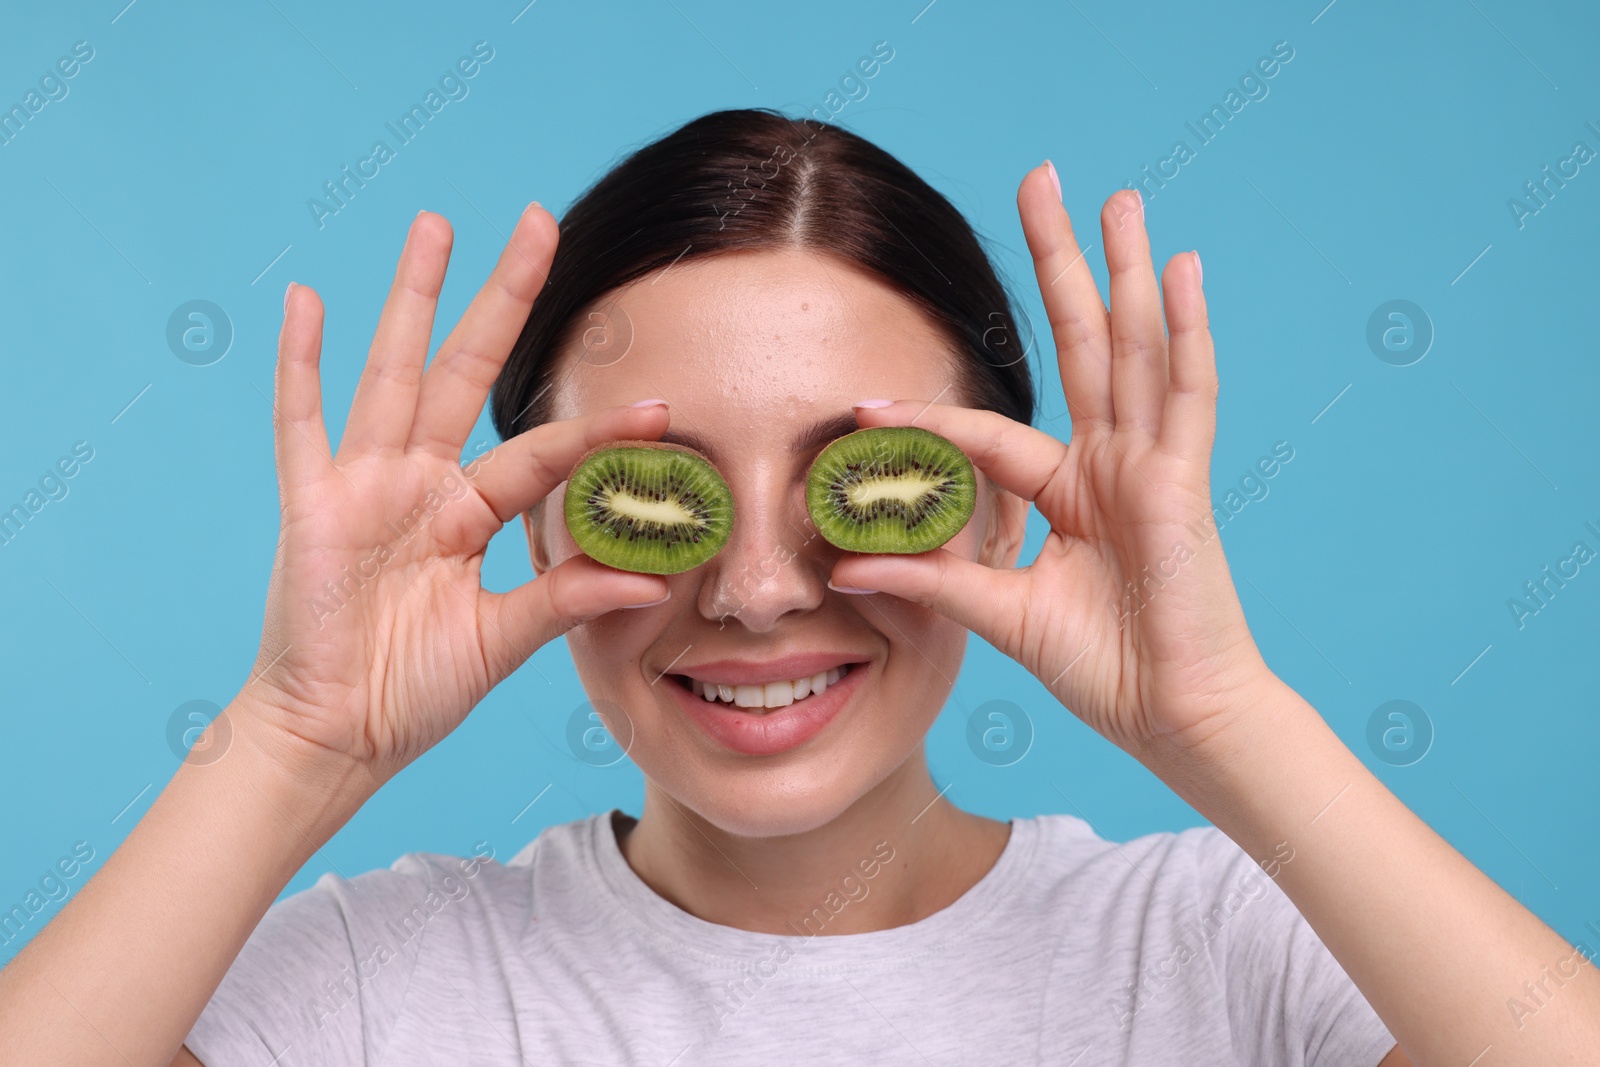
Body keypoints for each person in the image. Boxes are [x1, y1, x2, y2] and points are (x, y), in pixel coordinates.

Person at [0, 107, 1594, 1066]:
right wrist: (291, 742)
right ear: (541, 526)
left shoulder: (1221, 950)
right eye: (660, 493)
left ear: (993, 512)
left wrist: (1226, 717)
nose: (759, 588)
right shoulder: (374, 987)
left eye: (856, 483)